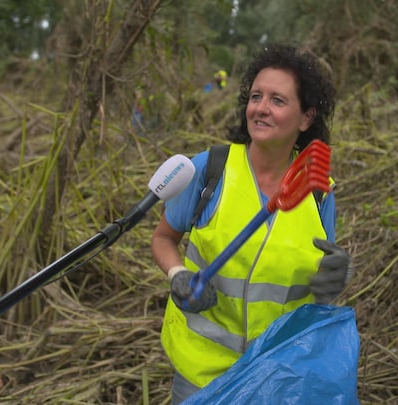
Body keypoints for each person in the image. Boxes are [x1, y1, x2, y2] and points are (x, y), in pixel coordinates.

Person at [150, 44, 352, 404]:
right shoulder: (209, 170)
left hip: (276, 376)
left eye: (277, 100)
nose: (261, 108)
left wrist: (335, 275)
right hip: (201, 375)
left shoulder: (317, 191)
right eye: (256, 96)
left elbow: (320, 278)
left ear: (306, 118)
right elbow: (164, 238)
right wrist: (177, 275)